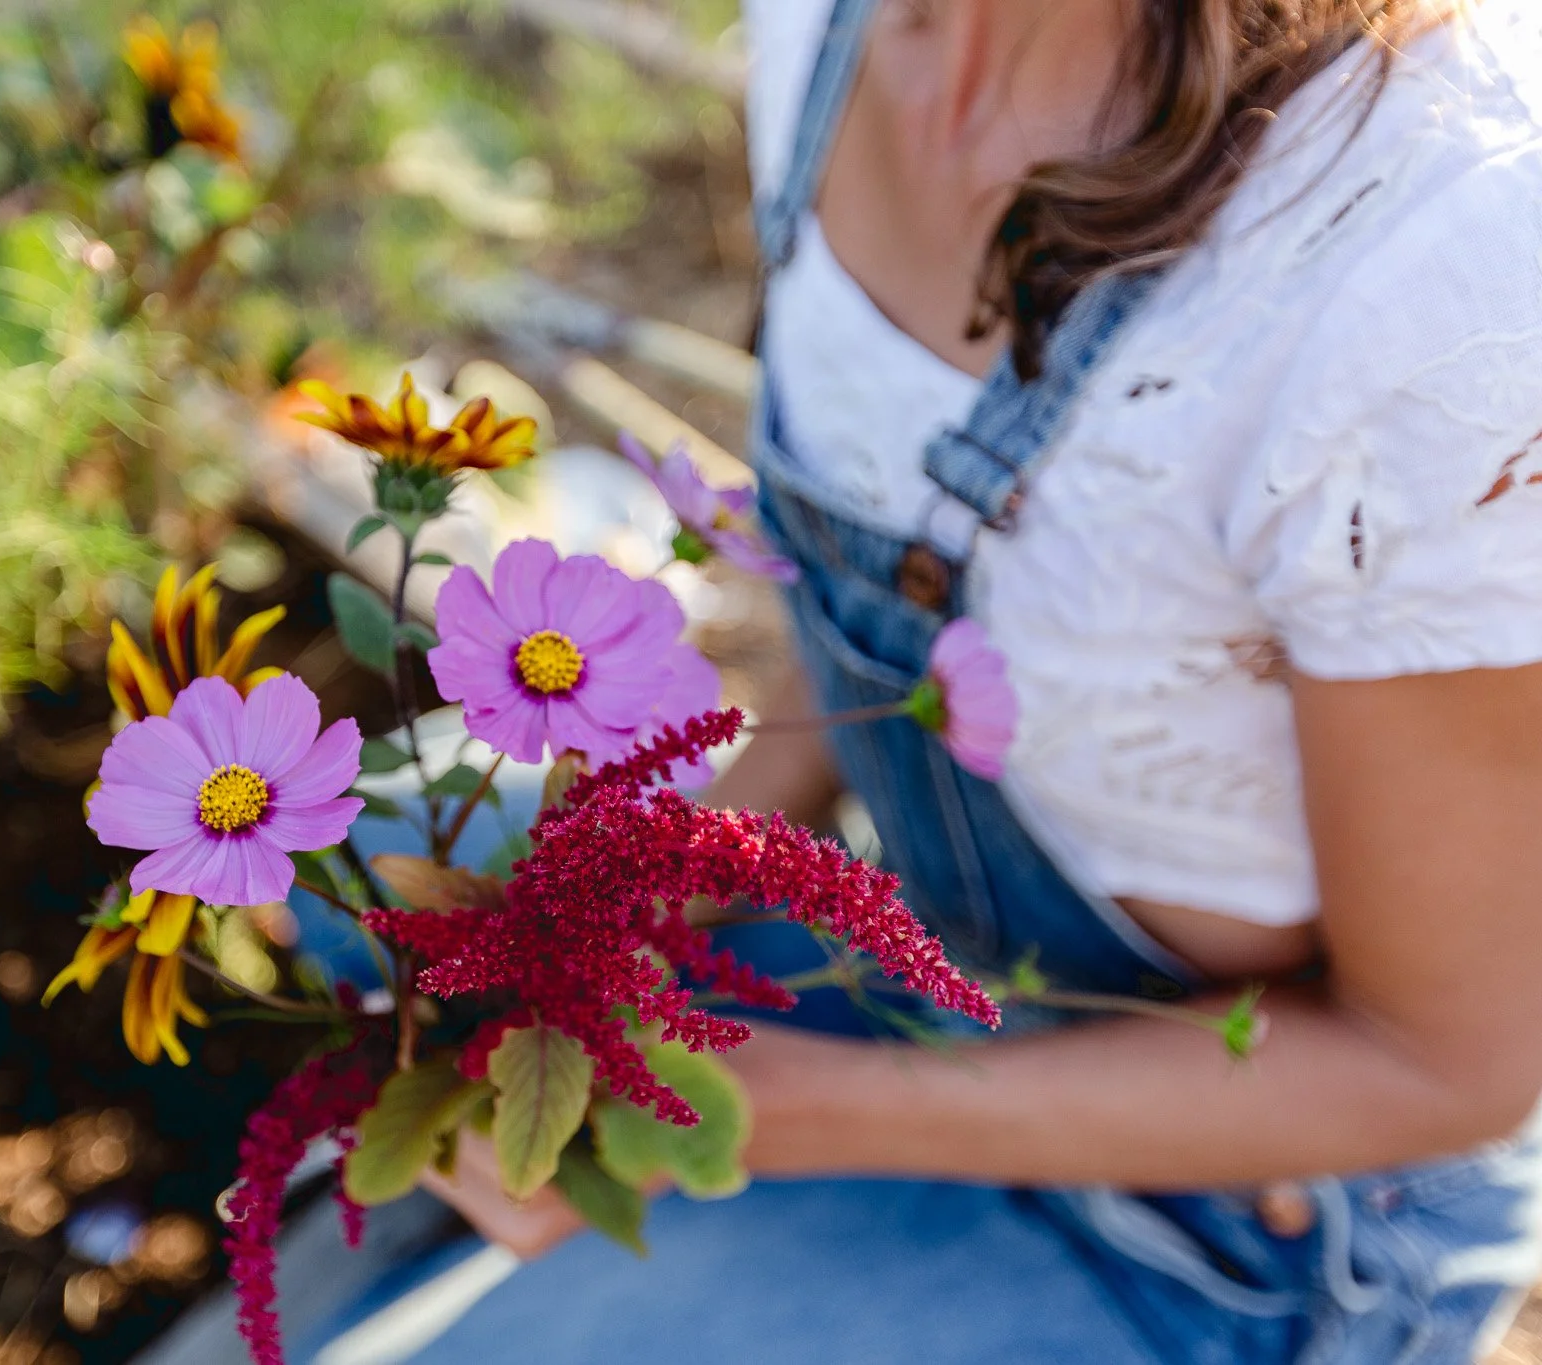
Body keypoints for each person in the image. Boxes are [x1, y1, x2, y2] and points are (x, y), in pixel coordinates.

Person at [293, 0, 1542, 1360]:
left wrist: (764, 1111)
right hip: (917, 942)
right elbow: (882, 588)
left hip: (1238, 1202)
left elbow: (1449, 1063)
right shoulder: (831, 29)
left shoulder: (1442, 254)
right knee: (338, 862)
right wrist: (673, 872)